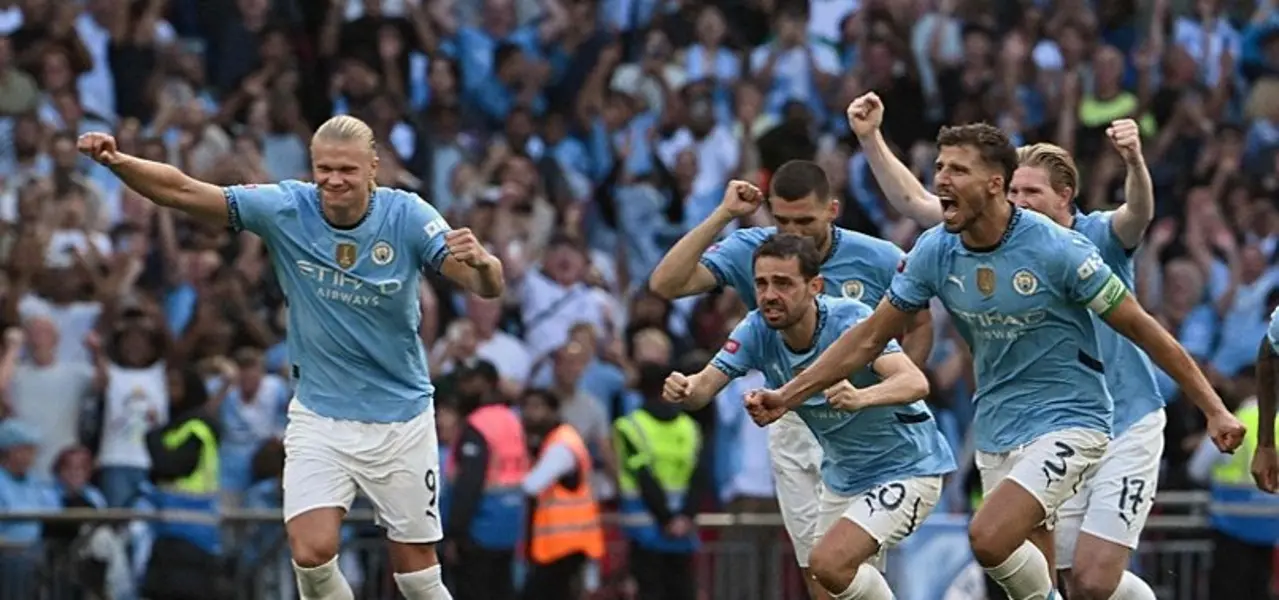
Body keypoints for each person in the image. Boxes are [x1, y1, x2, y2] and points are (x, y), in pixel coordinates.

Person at [746, 123, 1245, 600]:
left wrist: (1215, 409)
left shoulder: (1058, 248)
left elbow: (1145, 329)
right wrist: (786, 396)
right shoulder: (936, 251)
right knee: (1055, 577)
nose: (942, 179)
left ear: (994, 184)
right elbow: (868, 339)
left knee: (989, 537)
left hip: (1072, 420)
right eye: (940, 167)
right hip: (998, 426)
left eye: (957, 170)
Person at [77, 114, 506, 600]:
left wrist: (486, 266)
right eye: (324, 168)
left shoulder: (407, 215)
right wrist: (117, 161)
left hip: (399, 419)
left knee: (416, 577)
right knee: (310, 552)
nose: (334, 180)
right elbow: (183, 191)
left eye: (347, 169)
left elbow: (480, 284)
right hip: (320, 414)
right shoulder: (286, 207)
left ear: (373, 168)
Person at [846, 93, 1169, 600]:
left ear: (1067, 197)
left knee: (1091, 579)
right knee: (1060, 577)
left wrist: (1133, 160)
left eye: (1032, 191)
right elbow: (914, 203)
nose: (1018, 200)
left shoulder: (1097, 236)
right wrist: (871, 139)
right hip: (1045, 420)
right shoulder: (987, 235)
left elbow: (1140, 212)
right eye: (1013, 189)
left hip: (1125, 419)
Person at [648, 159, 931, 600]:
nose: (793, 232)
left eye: (805, 221)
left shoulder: (879, 258)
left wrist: (884, 394)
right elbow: (666, 284)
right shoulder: (754, 252)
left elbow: (918, 325)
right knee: (823, 578)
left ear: (832, 210)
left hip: (863, 420)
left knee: (845, 563)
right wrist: (724, 214)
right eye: (782, 220)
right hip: (793, 419)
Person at [614, 363, 709, 600]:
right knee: (682, 590)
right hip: (681, 532)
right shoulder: (690, 427)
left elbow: (643, 476)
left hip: (646, 530)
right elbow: (698, 477)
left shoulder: (629, 427)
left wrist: (668, 519)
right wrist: (685, 517)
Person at [444, 361, 529, 600]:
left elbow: (469, 484)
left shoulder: (478, 424)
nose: (462, 387)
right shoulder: (512, 420)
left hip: (480, 529)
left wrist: (456, 535)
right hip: (510, 525)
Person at [519, 388, 605, 600]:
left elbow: (532, 485)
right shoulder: (552, 440)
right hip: (559, 545)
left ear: (553, 411)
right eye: (527, 407)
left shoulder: (562, 444)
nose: (530, 414)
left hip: (564, 546)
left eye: (537, 407)